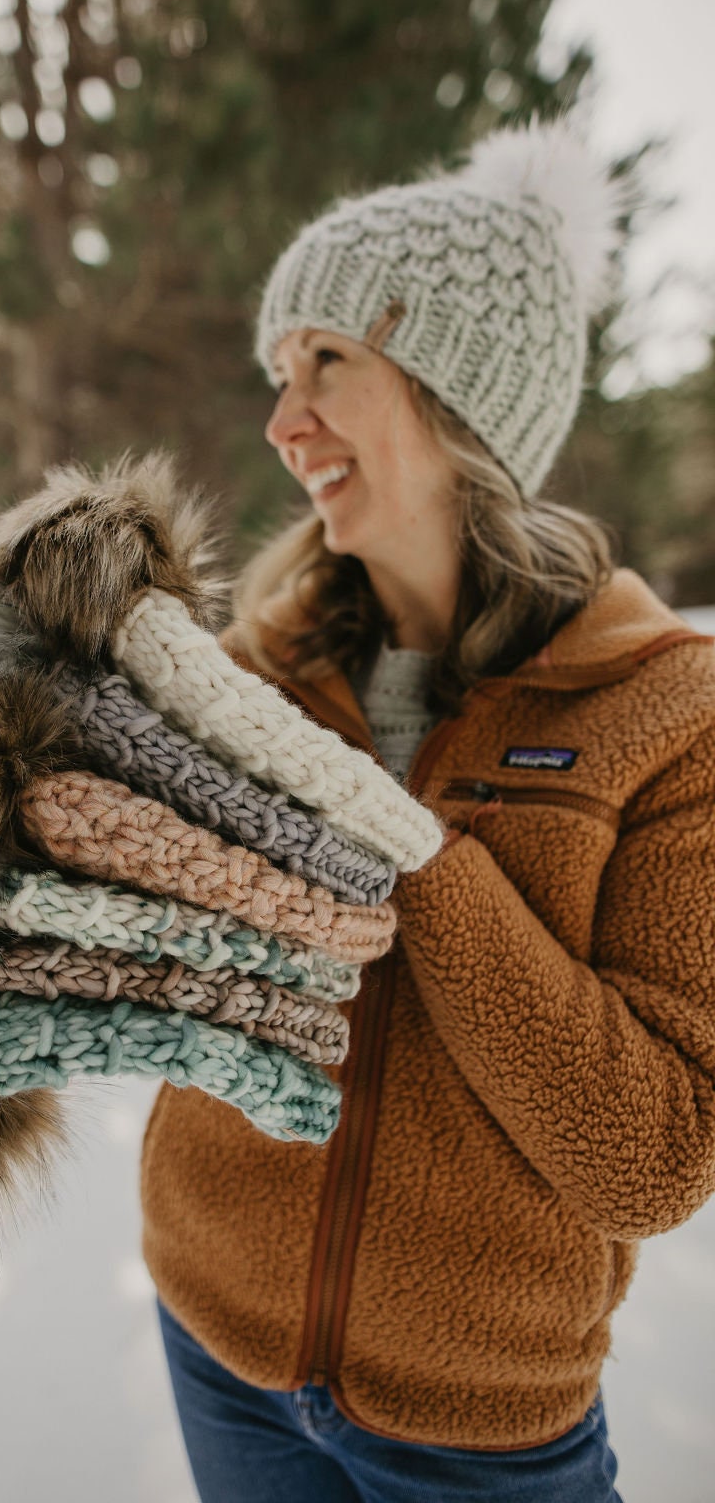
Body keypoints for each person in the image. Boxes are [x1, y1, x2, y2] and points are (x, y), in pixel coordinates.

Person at [138, 120, 715, 1503]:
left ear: (465, 399)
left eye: (328, 361)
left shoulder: (664, 711)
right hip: (215, 1334)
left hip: (480, 1428)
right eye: (280, 376)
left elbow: (652, 1156)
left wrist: (416, 859)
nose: (284, 424)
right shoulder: (251, 676)